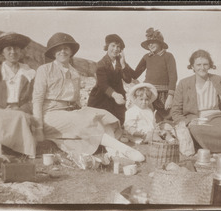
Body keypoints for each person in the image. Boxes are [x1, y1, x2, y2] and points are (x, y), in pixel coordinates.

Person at [32, 32, 145, 163]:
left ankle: (113, 153)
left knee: (103, 115)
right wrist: (39, 128)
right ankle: (125, 150)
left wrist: (85, 112)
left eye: (66, 48)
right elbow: (37, 100)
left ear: (71, 52)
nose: (62, 51)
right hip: (51, 115)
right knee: (82, 120)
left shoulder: (74, 73)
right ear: (53, 53)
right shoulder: (44, 70)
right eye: (58, 49)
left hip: (70, 111)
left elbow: (76, 100)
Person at [171, 49, 221, 153]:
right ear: (192, 67)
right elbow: (175, 111)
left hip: (216, 117)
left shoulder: (218, 80)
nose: (202, 68)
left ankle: (204, 144)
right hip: (195, 120)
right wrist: (188, 122)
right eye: (198, 65)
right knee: (194, 130)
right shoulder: (184, 83)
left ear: (210, 65)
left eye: (205, 64)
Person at [0, 32, 36, 163]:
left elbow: (34, 98)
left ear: (21, 52)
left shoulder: (29, 72)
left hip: (21, 112)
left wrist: (21, 108)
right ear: (3, 53)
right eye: (9, 49)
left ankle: (21, 151)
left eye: (16, 48)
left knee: (20, 117)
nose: (13, 52)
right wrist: (1, 108)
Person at [130, 28, 178, 122]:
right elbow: (135, 74)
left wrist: (170, 96)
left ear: (160, 42)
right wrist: (124, 64)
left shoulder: (168, 56)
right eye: (148, 43)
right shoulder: (146, 57)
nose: (150, 45)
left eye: (153, 42)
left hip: (163, 94)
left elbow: (173, 76)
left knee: (167, 117)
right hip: (148, 93)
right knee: (147, 116)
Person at [87, 34, 133, 125]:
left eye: (118, 47)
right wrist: (115, 95)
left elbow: (128, 80)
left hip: (118, 99)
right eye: (113, 46)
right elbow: (103, 85)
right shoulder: (101, 64)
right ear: (107, 47)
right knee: (101, 124)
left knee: (119, 124)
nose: (115, 49)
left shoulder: (121, 62)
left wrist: (123, 65)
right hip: (102, 98)